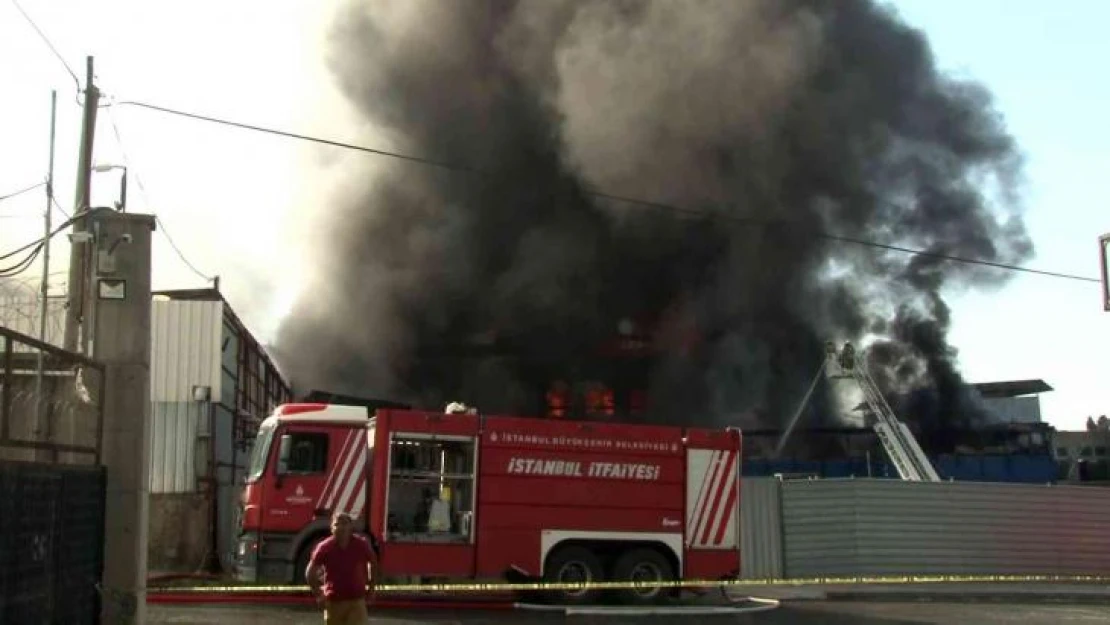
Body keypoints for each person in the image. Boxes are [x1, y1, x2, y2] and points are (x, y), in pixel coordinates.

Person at [306, 512, 382, 625]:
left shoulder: (361, 544)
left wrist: (372, 588)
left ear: (351, 527)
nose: (341, 527)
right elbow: (310, 572)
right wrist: (318, 595)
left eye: (345, 524)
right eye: (337, 524)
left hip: (356, 601)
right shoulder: (324, 548)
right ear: (332, 528)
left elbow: (373, 564)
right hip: (334, 602)